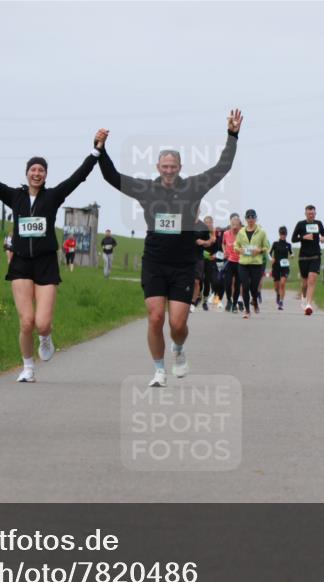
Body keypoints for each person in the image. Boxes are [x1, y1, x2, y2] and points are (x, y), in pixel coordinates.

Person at [98, 109, 243, 387]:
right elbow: (112, 177)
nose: (168, 170)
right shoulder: (145, 189)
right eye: (164, 166)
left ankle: (178, 349)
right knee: (154, 318)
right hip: (154, 262)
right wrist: (101, 151)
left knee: (177, 325)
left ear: (179, 167)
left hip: (183, 265)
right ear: (157, 167)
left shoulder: (192, 187)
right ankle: (158, 370)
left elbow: (222, 167)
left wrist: (232, 135)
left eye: (173, 166)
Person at [0, 130, 105, 382]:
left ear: (45, 175)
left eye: (41, 170)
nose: (36, 173)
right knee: (26, 321)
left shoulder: (53, 196)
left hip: (46, 263)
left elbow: (78, 177)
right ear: (27, 173)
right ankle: (28, 367)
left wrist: (95, 151)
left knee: (42, 323)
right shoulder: (14, 196)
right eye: (33, 169)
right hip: (20, 263)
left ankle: (46, 337)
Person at [291, 204, 324, 316]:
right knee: (305, 283)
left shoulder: (319, 223)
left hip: (315, 256)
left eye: (313, 213)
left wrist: (323, 238)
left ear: (315, 214)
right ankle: (304, 296)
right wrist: (303, 237)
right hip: (303, 257)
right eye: (309, 213)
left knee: (312, 279)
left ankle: (308, 305)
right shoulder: (301, 224)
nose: (311, 215)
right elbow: (293, 239)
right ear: (305, 214)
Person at [234, 209, 270, 319]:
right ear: (245, 219)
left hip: (256, 263)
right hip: (243, 263)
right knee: (245, 286)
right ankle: (247, 310)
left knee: (254, 287)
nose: (250, 219)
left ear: (255, 218)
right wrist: (240, 250)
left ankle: (254, 299)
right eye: (248, 217)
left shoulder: (262, 232)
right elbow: (236, 246)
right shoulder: (241, 232)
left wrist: (259, 250)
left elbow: (267, 247)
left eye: (252, 217)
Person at [192, 215, 217, 312]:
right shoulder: (201, 231)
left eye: (209, 222)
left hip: (210, 260)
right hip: (200, 258)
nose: (208, 224)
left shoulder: (215, 235)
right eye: (206, 222)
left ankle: (205, 301)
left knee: (207, 281)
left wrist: (213, 254)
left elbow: (217, 249)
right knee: (199, 280)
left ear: (212, 223)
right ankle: (198, 297)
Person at [222, 214, 243, 313]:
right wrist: (224, 251)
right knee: (228, 282)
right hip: (229, 261)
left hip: (239, 262)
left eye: (236, 224)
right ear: (230, 224)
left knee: (237, 284)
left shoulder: (243, 234)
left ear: (239, 225)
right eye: (232, 224)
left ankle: (234, 304)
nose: (234, 226)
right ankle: (229, 300)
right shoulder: (226, 233)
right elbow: (223, 243)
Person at [270, 225, 293, 310]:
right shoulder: (275, 244)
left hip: (285, 266)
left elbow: (291, 253)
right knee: (276, 286)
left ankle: (281, 302)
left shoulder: (288, 245)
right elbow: (269, 253)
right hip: (276, 266)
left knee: (282, 284)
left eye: (284, 234)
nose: (283, 235)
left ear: (286, 234)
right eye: (281, 233)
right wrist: (272, 258)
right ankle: (278, 294)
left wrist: (292, 256)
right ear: (279, 234)